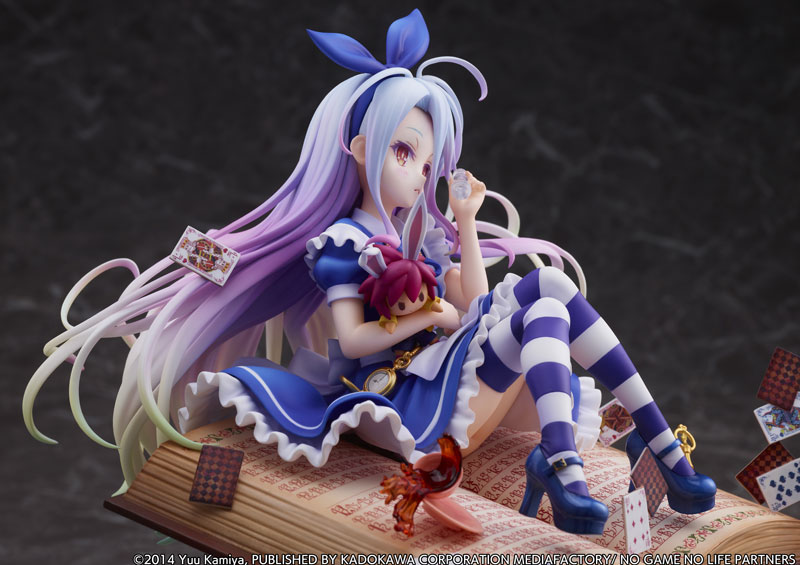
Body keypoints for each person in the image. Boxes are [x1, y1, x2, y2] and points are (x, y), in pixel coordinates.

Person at [23, 9, 714, 535]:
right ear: (360, 147)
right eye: (404, 153)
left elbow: (476, 304)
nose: (417, 173)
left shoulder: (419, 239)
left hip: (441, 378)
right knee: (544, 295)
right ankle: (580, 466)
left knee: (549, 291)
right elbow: (353, 340)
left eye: (426, 160)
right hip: (395, 400)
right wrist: (430, 315)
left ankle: (642, 460)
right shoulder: (342, 244)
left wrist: (464, 220)